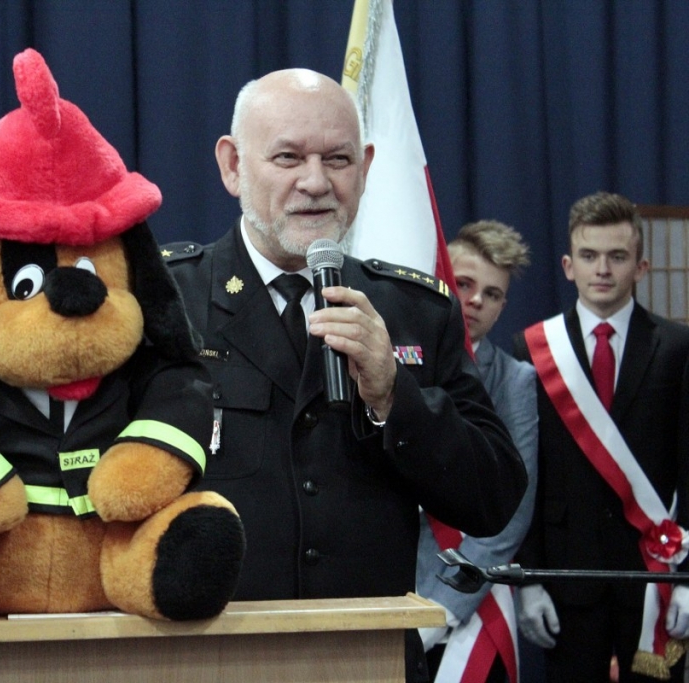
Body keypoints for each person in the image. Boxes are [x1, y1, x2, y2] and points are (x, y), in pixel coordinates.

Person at [162, 68, 527, 683]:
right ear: (233, 166)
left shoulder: (416, 310)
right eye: (288, 157)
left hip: (369, 656)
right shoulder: (167, 300)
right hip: (209, 656)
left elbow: (492, 499)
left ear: (365, 168)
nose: (316, 182)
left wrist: (393, 394)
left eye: (338, 159)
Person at [513, 191, 689, 683]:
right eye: (589, 256)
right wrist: (528, 579)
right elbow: (525, 473)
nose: (603, 269)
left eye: (617, 256)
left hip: (655, 574)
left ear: (641, 267)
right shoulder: (532, 348)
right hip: (569, 575)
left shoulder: (678, 347)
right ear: (569, 267)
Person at [416, 220, 539, 682]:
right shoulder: (394, 359)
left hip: (464, 597)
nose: (475, 301)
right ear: (440, 278)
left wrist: (444, 608)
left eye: (492, 294)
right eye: (464, 284)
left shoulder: (515, 382)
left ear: (503, 305)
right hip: (382, 586)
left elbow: (512, 511)